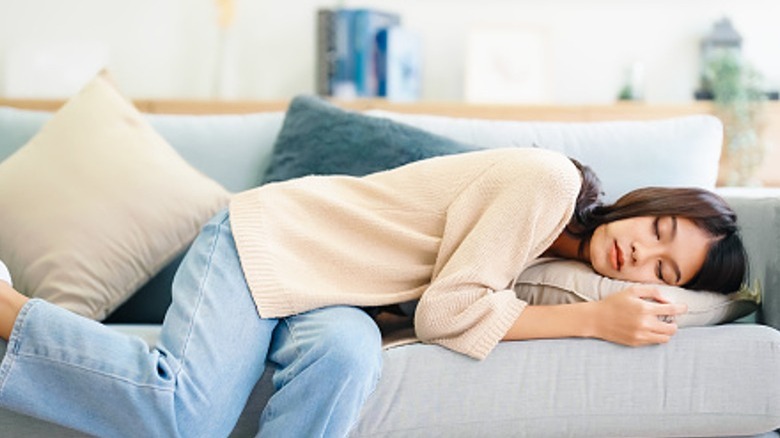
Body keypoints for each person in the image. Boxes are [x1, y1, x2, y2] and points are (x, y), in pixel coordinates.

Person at [0, 147, 747, 437]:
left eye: (663, 272)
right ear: (650, 202)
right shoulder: (548, 186)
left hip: (332, 300)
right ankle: (8, 310)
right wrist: (594, 322)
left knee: (348, 362)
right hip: (271, 244)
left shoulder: (555, 255)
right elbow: (448, 311)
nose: (641, 251)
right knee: (185, 415)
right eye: (660, 228)